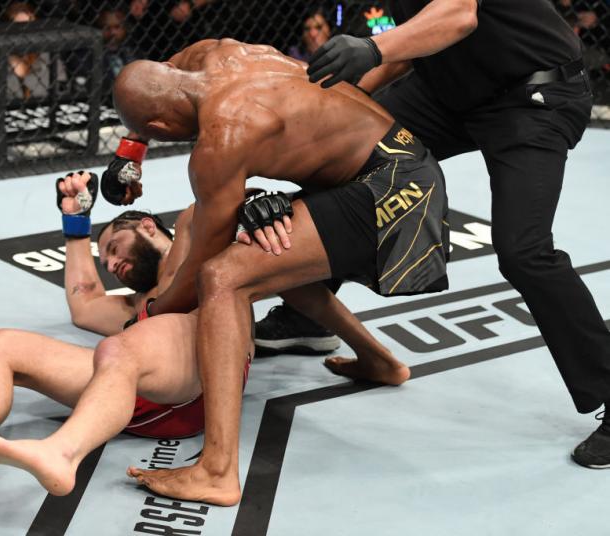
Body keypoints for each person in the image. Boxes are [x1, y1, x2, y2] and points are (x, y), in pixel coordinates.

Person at [98, 38, 448, 504]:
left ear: (159, 124)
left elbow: (203, 261)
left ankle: (217, 470)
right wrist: (131, 149)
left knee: (224, 278)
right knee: (263, 252)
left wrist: (150, 315)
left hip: (392, 195)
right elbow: (156, 75)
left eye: (151, 133)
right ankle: (381, 362)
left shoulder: (221, 140)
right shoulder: (216, 52)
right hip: (399, 158)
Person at [301, 0, 610, 470]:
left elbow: (459, 15)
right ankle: (308, 313)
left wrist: (370, 47)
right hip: (447, 93)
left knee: (523, 250)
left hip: (533, 94)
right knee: (340, 160)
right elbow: (413, 43)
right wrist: (335, 101)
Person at [0, 171, 242, 495]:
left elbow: (214, 203)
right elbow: (86, 305)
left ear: (146, 226)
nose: (111, 264)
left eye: (113, 247)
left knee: (122, 347)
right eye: (106, 260)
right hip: (127, 397)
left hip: (196, 381)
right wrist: (76, 222)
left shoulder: (195, 242)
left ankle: (61, 453)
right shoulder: (136, 306)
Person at [0, 2, 67, 103]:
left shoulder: (49, 59)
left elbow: (63, 96)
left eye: (30, 28)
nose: (25, 35)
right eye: (18, 29)